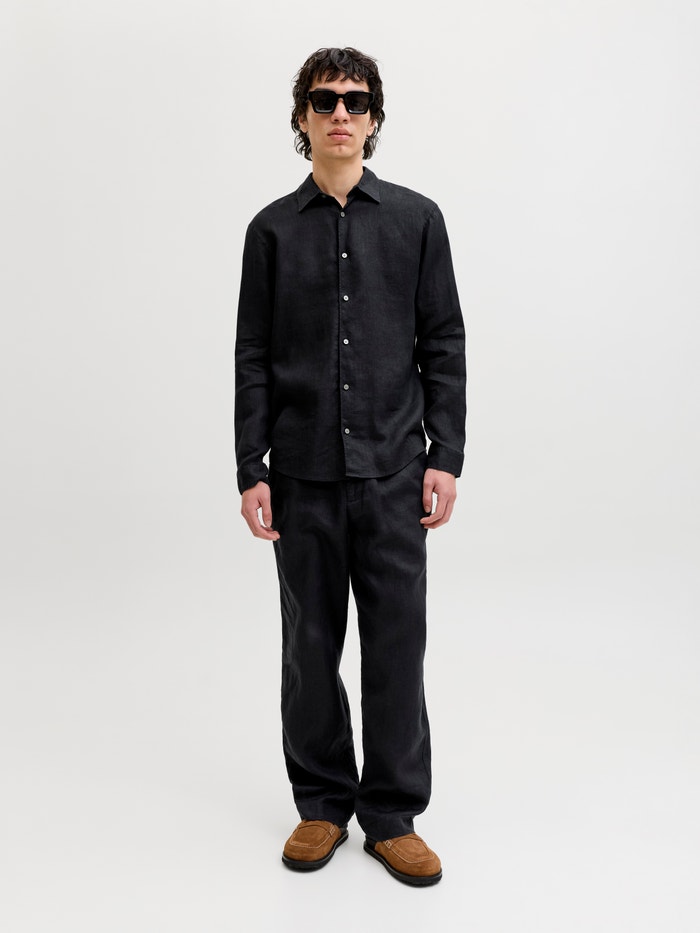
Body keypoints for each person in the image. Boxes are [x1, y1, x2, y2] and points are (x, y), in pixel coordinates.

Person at [234, 47, 466, 887]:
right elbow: (253, 355)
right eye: (325, 100)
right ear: (303, 116)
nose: (341, 113)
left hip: (396, 472)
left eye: (356, 101)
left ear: (373, 117)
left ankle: (393, 815)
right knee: (309, 645)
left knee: (397, 646)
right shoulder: (271, 230)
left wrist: (446, 455)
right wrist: (250, 467)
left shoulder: (417, 220)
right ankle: (322, 803)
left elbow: (443, 339)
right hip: (300, 476)